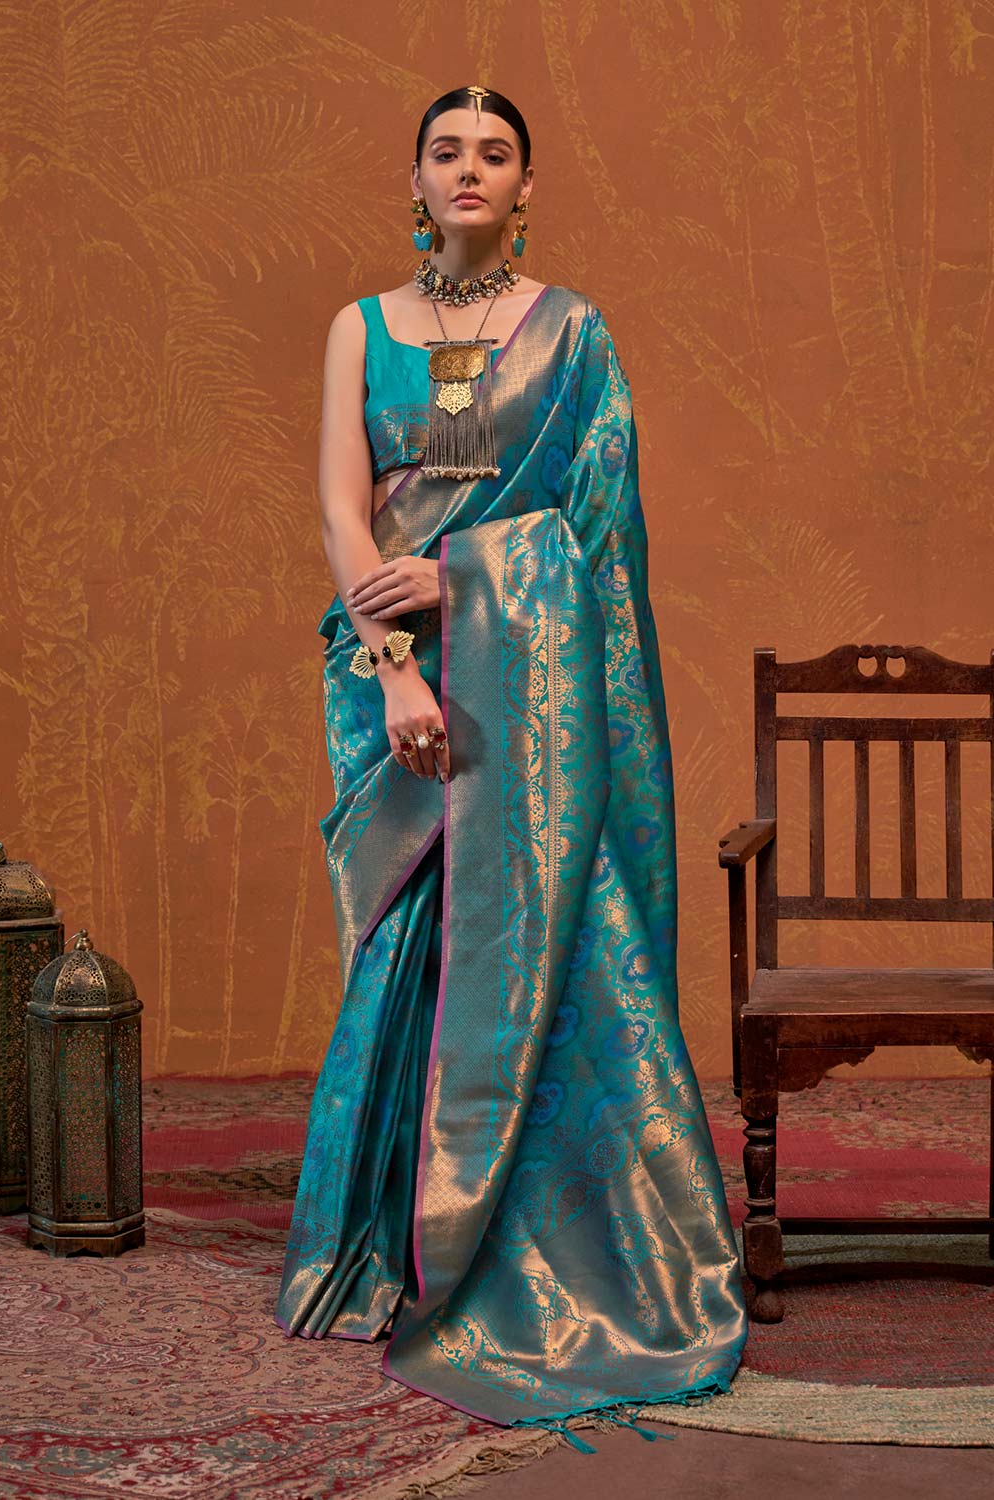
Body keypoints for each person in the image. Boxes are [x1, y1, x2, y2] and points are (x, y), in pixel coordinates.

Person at [275, 84, 748, 1449]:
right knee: (409, 951)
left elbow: (595, 543)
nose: (468, 170)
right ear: (415, 180)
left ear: (527, 185)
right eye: (446, 152)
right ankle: (389, 1245)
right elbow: (342, 512)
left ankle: (568, 1248)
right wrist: (397, 668)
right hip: (392, 677)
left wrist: (473, 592)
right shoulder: (361, 329)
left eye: (494, 153)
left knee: (563, 942)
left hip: (529, 698)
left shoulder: (573, 334)